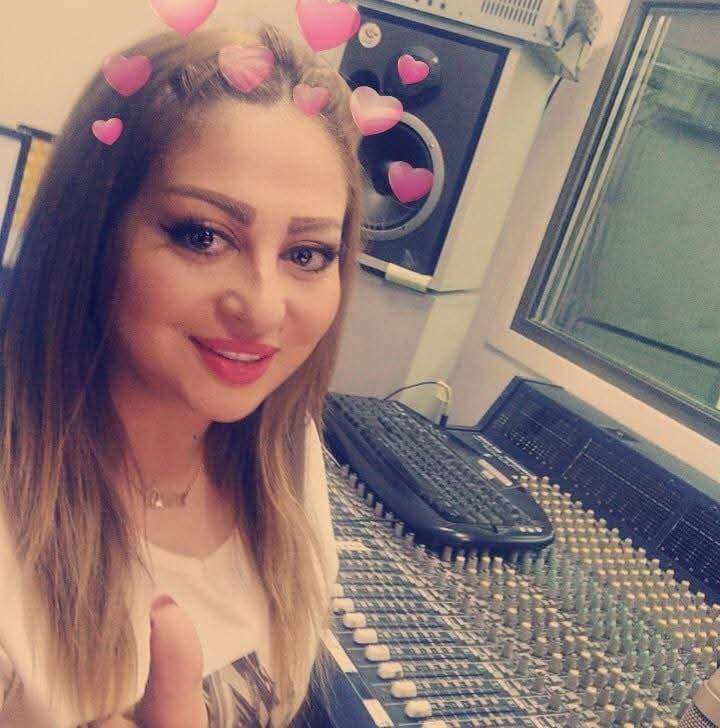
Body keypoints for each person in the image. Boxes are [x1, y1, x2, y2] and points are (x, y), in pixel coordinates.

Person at [0, 19, 365, 728]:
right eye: (203, 236)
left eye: (307, 254)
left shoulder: (289, 453)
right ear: (94, 233)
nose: (263, 309)